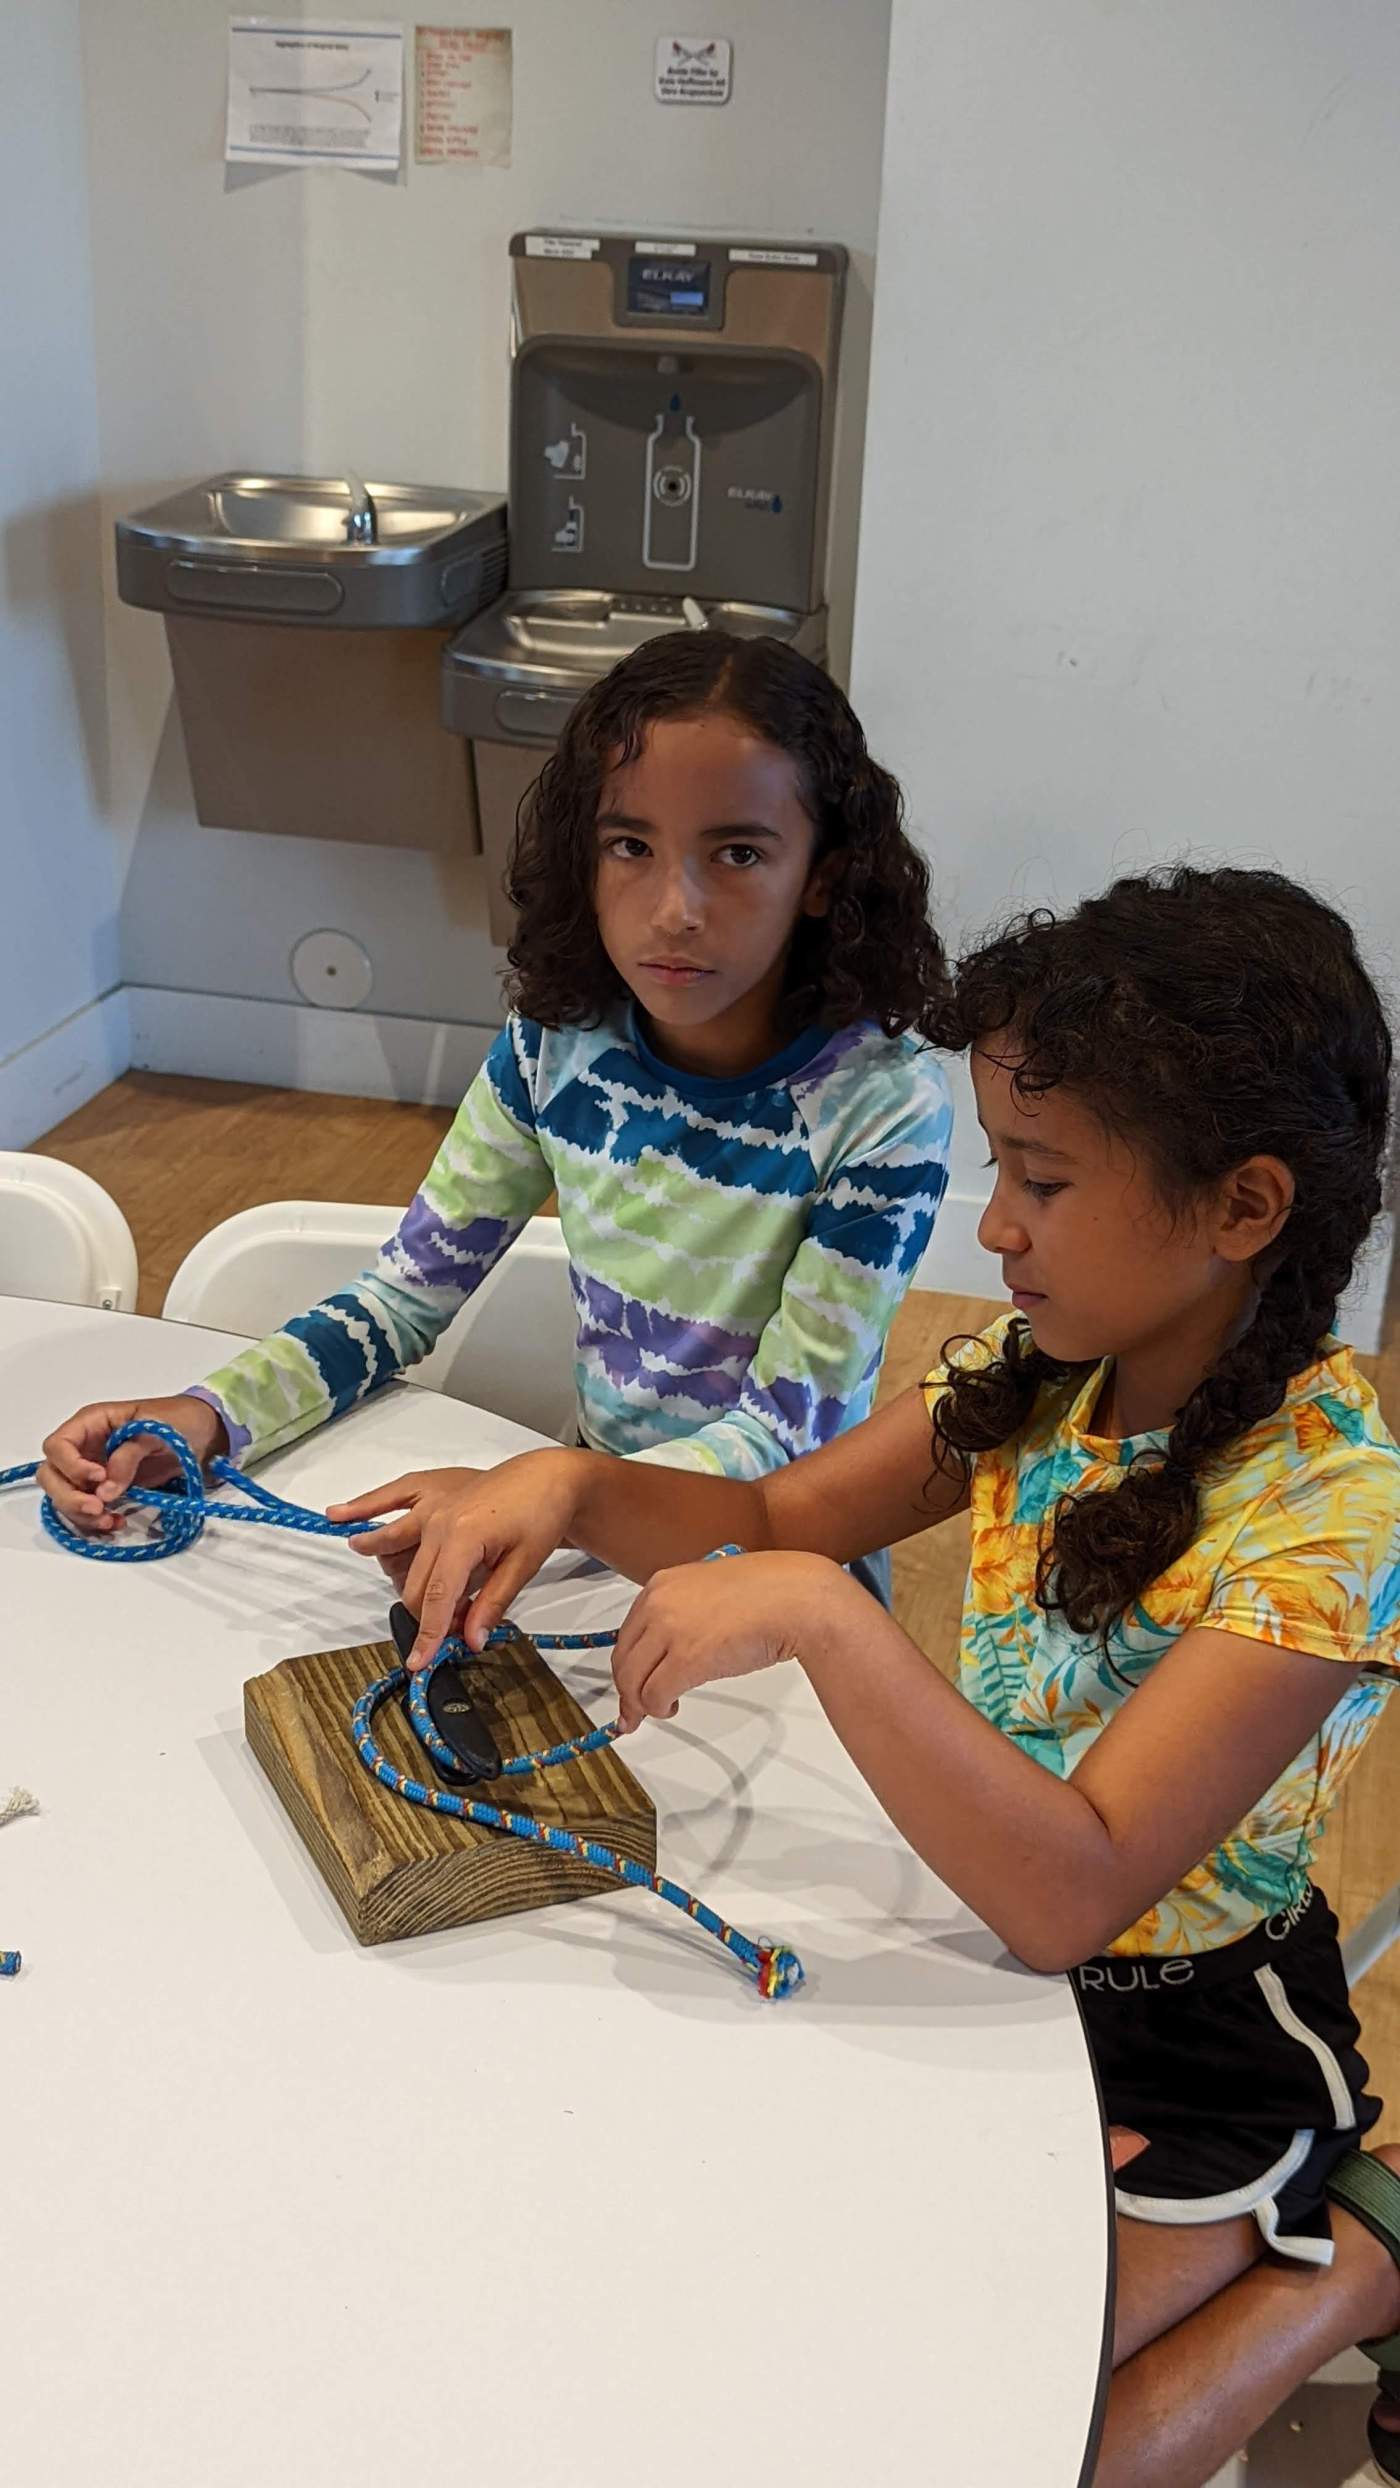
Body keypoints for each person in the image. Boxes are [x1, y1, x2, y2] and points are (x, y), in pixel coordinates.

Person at [345, 866, 1400, 2486]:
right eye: (1001, 1166)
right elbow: (768, 1512)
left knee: (1001, 2430)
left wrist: (829, 1621)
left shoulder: (1340, 1506)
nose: (994, 1225)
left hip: (1202, 2047)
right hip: (989, 1962)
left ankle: (1357, 2260)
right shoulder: (1042, 1373)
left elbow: (1084, 1883)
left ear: (1243, 1205)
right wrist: (565, 1485)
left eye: (1043, 1180)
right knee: (813, 2335)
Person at [38, 632, 954, 1639]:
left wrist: (555, 1494)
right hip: (581, 1541)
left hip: (779, 1586)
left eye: (736, 853)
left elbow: (785, 1438)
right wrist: (210, 1414)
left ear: (822, 874)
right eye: (629, 846)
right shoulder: (551, 1046)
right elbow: (397, 1303)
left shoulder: (883, 1106)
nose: (674, 908)